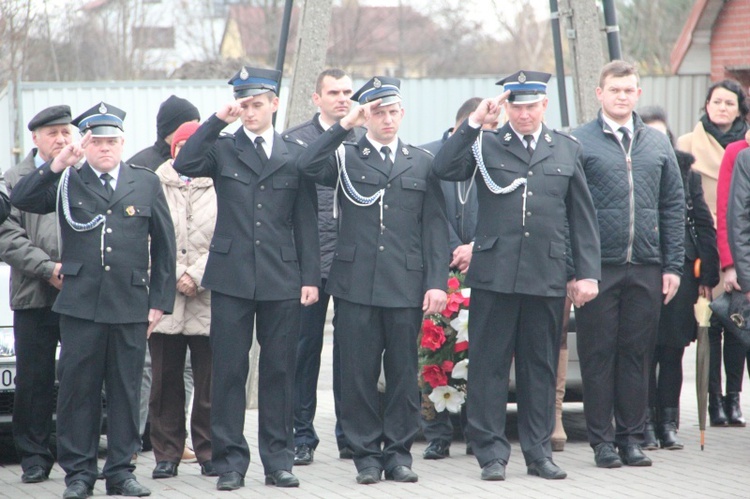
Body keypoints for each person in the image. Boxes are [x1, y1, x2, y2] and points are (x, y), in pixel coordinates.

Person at [433, 70, 601, 481]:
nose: (524, 114)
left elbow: (582, 217)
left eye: (531, 106)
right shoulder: (485, 143)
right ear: (505, 107)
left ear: (545, 106)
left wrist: (586, 273)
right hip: (495, 274)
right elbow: (444, 167)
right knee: (489, 366)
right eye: (516, 106)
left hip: (545, 273)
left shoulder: (565, 148)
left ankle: (538, 452)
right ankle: (491, 452)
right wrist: (474, 122)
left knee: (539, 367)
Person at [10, 101, 176, 499]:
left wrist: (160, 301)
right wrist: (58, 163)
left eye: (112, 141)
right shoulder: (69, 180)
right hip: (81, 303)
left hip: (130, 303)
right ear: (87, 144)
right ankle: (80, 473)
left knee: (125, 389)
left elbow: (166, 246)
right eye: (97, 141)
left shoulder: (145, 182)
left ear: (123, 143)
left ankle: (120, 470)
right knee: (77, 391)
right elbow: (24, 199)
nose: (105, 148)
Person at [172, 66, 320, 491]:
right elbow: (185, 161)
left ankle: (278, 461)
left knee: (278, 370)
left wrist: (310, 276)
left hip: (280, 275)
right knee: (230, 371)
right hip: (233, 274)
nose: (250, 112)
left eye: (257, 104)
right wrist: (219, 118)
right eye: (245, 104)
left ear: (275, 103)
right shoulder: (223, 147)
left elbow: (306, 221)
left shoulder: (293, 152)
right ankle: (230, 462)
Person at [297, 76, 449, 485]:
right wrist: (345, 124)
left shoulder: (420, 161)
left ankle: (399, 454)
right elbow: (307, 165)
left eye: (392, 111)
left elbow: (435, 228)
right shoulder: (346, 155)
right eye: (377, 112)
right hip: (355, 282)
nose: (386, 119)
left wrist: (437, 282)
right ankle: (365, 454)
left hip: (405, 283)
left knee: (402, 374)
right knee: (358, 374)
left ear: (403, 113)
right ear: (366, 115)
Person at [571, 60, 684, 469]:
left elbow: (673, 205)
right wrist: (575, 269)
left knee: (636, 353)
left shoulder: (657, 145)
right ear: (599, 93)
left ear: (638, 94)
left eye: (629, 90)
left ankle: (631, 438)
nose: (622, 96)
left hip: (646, 265)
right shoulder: (578, 142)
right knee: (598, 354)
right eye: (614, 89)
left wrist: (672, 266)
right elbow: (569, 211)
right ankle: (601, 442)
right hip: (597, 268)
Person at [283, 68, 362, 465]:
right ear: (317, 98)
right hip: (308, 262)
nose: (342, 98)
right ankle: (301, 435)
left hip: (354, 261)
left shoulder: (364, 136)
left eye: (348, 91)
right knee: (304, 351)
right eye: (333, 92)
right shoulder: (297, 139)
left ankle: (350, 434)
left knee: (351, 353)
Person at [639, 105, 719, 450]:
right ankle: (641, 420)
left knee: (672, 349)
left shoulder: (687, 171)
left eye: (663, 136)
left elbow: (703, 223)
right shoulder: (630, 169)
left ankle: (668, 422)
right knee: (642, 351)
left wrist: (709, 273)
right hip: (641, 267)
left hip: (682, 269)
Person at [127, 94, 201, 457]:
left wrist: (195, 274)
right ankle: (146, 436)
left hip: (198, 291)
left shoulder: (206, 166)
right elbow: (145, 234)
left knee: (185, 370)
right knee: (153, 369)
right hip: (158, 289)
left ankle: (176, 437)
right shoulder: (144, 169)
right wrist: (170, 275)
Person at [0, 106, 68, 485]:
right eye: (52, 133)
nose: (60, 139)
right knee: (34, 380)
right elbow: (7, 237)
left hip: (78, 295)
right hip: (33, 294)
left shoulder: (79, 173)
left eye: (65, 132)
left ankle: (75, 452)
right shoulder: (14, 179)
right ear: (36, 139)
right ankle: (35, 457)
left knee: (76, 377)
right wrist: (49, 268)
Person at [679, 80, 750, 427]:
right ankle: (712, 401)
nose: (722, 107)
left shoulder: (743, 148)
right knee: (709, 326)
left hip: (740, 248)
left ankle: (733, 399)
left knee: (738, 325)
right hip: (707, 247)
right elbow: (717, 208)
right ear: (706, 105)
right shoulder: (686, 144)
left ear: (740, 108)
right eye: (716, 101)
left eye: (730, 102)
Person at [149, 121, 216, 480]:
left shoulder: (221, 183)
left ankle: (208, 450)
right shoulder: (153, 183)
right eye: (181, 146)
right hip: (166, 298)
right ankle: (166, 453)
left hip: (209, 300)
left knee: (209, 383)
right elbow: (149, 239)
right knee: (165, 382)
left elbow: (229, 235)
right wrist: (178, 275)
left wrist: (198, 274)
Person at [419, 97, 482, 461]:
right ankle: (437, 434)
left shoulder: (494, 161)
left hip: (481, 268)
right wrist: (454, 247)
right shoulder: (429, 157)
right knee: (434, 351)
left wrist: (474, 246)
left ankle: (477, 431)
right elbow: (427, 214)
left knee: (478, 355)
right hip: (437, 271)